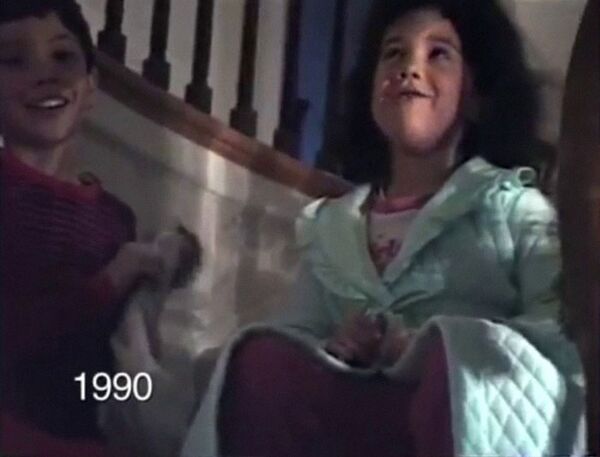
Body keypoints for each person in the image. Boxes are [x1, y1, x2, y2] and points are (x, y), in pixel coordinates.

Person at [180, 0, 583, 456]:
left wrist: (434, 347)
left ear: (475, 97)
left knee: (449, 361)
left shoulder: (516, 208)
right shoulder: (331, 227)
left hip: (452, 422)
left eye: (439, 53)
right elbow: (302, 329)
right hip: (357, 422)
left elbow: (561, 334)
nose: (409, 68)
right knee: (261, 361)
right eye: (393, 52)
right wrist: (335, 346)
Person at [0, 1, 165, 455]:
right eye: (13, 60)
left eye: (63, 57)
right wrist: (112, 279)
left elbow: (106, 374)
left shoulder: (117, 219)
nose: (45, 75)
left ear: (90, 88)